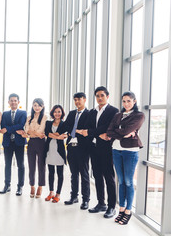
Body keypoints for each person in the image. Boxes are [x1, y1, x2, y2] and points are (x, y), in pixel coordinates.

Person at [77, 86, 119, 218]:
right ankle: (101, 203)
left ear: (107, 96)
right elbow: (90, 126)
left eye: (102, 95)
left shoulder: (114, 111)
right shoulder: (93, 112)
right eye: (97, 96)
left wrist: (91, 132)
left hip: (106, 149)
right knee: (97, 176)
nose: (99, 98)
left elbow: (107, 126)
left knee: (109, 177)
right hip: (93, 148)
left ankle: (112, 206)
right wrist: (96, 133)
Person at [107, 91, 145, 225]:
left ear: (134, 101)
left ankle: (128, 210)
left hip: (130, 151)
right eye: (124, 101)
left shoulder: (139, 115)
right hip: (116, 150)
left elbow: (121, 131)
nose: (126, 103)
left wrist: (119, 131)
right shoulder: (118, 115)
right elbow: (109, 131)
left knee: (128, 181)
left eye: (129, 101)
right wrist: (122, 132)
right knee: (121, 181)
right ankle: (121, 208)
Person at [59, 92, 90, 210]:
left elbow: (88, 129)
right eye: (75, 100)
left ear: (85, 100)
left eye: (79, 99)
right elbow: (64, 127)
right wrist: (77, 130)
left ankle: (86, 200)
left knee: (84, 174)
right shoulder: (72, 114)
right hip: (71, 146)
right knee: (74, 174)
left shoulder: (89, 114)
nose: (77, 102)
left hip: (83, 147)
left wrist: (74, 130)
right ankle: (74, 196)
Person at [17, 98, 47, 198]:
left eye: (39, 105)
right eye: (35, 105)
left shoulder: (44, 117)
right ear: (32, 106)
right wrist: (32, 133)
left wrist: (31, 132)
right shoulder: (29, 118)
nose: (37, 107)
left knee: (41, 166)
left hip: (41, 143)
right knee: (31, 165)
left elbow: (41, 130)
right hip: (31, 143)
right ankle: (32, 186)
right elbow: (26, 130)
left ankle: (40, 186)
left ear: (42, 106)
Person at [0, 93, 27, 196]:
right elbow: (3, 126)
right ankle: (7, 185)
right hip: (8, 143)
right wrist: (13, 130)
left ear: (18, 102)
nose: (13, 102)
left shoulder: (23, 113)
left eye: (15, 100)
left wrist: (8, 129)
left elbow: (21, 125)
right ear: (8, 102)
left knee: (21, 165)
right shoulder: (5, 114)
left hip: (19, 143)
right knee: (7, 165)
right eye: (11, 100)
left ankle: (20, 186)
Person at [44, 105, 67, 203]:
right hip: (49, 149)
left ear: (62, 113)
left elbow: (64, 135)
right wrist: (57, 136)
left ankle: (58, 194)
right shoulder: (48, 123)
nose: (57, 114)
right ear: (52, 113)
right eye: (55, 112)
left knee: (60, 174)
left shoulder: (64, 124)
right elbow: (47, 133)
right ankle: (51, 192)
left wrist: (53, 135)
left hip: (59, 151)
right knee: (51, 173)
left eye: (59, 112)